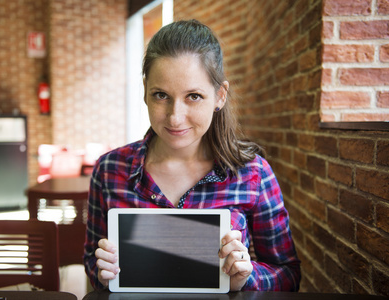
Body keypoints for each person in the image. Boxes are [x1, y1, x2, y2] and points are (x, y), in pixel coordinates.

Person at [84, 19, 301, 292]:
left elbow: (289, 275)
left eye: (194, 96)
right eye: (161, 95)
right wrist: (102, 273)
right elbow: (92, 262)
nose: (175, 117)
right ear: (145, 92)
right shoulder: (109, 169)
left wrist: (246, 278)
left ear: (220, 96)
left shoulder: (253, 174)